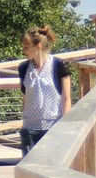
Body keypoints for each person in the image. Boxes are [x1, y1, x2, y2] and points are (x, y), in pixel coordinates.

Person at [18, 26, 71, 156]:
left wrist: (64, 125)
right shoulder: (24, 68)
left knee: (50, 168)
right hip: (29, 128)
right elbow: (25, 96)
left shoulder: (59, 65)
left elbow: (66, 98)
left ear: (38, 46)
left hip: (52, 127)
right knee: (29, 170)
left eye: (26, 47)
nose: (23, 50)